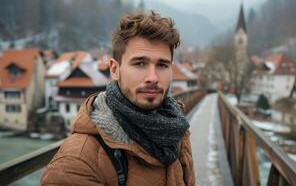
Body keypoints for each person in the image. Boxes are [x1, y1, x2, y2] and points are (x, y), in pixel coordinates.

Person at [41, 11, 195, 186]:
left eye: (162, 65)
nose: (153, 77)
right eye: (140, 63)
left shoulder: (177, 130)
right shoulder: (77, 163)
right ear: (114, 69)